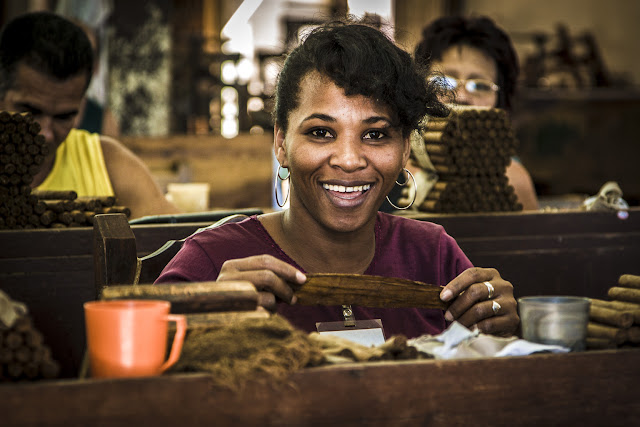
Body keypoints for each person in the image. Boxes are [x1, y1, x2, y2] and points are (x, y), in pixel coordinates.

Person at [156, 21, 519, 338]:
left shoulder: (433, 256)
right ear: (281, 142)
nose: (348, 160)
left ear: (406, 148)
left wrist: (501, 326)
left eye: (376, 135)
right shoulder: (212, 260)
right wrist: (203, 325)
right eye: (320, 132)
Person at [0, 11, 179, 219]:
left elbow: (181, 242)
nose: (46, 133)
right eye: (31, 112)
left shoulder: (110, 165)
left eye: (64, 117)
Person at [414, 15, 539, 211]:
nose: (461, 96)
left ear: (500, 102)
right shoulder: (390, 168)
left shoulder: (512, 182)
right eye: (444, 82)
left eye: (480, 85)